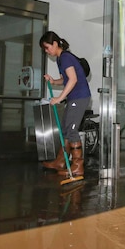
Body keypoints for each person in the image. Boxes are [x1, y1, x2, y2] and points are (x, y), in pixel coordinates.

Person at [39, 31, 91, 180]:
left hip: (79, 97)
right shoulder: (61, 59)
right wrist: (53, 81)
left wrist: (59, 98)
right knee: (65, 129)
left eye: (47, 47)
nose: (46, 51)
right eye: (45, 49)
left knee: (72, 130)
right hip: (74, 97)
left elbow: (73, 80)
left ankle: (77, 166)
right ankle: (60, 162)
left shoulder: (66, 57)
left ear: (55, 44)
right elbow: (65, 79)